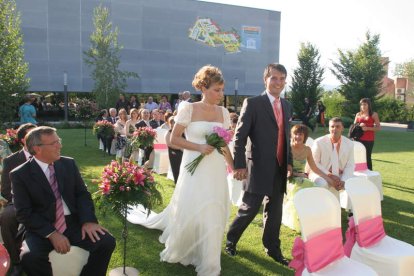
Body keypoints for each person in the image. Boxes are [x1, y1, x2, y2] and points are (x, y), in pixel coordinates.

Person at [135, 65, 232, 275]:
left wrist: (233, 166)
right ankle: (188, 246)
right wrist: (198, 147)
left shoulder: (223, 112)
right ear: (204, 88)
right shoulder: (188, 108)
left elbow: (224, 143)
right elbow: (173, 139)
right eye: (217, 90)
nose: (221, 94)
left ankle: (210, 260)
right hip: (194, 168)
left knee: (214, 209)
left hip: (215, 168)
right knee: (193, 206)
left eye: (222, 90)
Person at [10, 126, 115, 276]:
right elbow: (24, 213)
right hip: (42, 228)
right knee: (29, 257)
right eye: (54, 143)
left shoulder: (68, 164)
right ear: (37, 149)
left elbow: (82, 194)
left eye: (58, 140)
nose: (60, 145)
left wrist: (88, 220)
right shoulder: (20, 174)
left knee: (106, 242)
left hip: (73, 223)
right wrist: (52, 234)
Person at [225, 63, 293, 266]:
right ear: (266, 80)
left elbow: (285, 137)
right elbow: (239, 137)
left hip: (279, 168)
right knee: (249, 209)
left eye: (282, 79)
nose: (278, 82)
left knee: (275, 211)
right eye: (274, 78)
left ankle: (273, 249)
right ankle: (231, 241)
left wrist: (289, 162)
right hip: (257, 167)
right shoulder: (253, 103)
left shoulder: (287, 105)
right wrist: (239, 165)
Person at [282, 124, 335, 232]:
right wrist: (297, 175)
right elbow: (282, 169)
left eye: (300, 134)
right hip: (288, 179)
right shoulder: (287, 148)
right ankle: (297, 221)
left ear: (305, 136)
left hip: (302, 179)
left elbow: (315, 168)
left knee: (315, 189)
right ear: (292, 135)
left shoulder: (307, 150)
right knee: (302, 189)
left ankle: (310, 219)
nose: (298, 136)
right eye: (295, 134)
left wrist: (328, 178)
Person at [1, 123, 37, 276]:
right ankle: (16, 262)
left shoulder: (49, 155)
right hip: (18, 202)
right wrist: (22, 202)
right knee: (7, 216)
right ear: (23, 140)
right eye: (33, 135)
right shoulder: (11, 161)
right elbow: (6, 190)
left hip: (47, 201)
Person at [308, 117, 355, 199]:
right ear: (329, 128)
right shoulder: (319, 142)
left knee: (353, 183)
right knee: (322, 184)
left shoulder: (349, 144)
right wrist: (329, 175)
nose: (334, 129)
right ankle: (322, 207)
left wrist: (343, 180)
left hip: (340, 175)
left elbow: (350, 165)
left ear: (342, 128)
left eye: (337, 126)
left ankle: (351, 210)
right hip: (320, 173)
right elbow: (314, 163)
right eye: (332, 126)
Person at [353, 98, 381, 170]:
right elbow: (354, 127)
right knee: (357, 156)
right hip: (358, 139)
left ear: (369, 105)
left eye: (365, 104)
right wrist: (359, 125)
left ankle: (369, 174)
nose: (363, 106)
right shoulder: (358, 114)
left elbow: (378, 128)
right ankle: (357, 172)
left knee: (367, 157)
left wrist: (367, 128)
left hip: (369, 140)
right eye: (361, 104)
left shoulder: (374, 114)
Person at [165, 116, 183, 184]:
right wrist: (180, 148)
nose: (175, 124)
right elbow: (169, 144)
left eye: (176, 123)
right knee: (177, 165)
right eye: (173, 123)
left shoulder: (181, 132)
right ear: (171, 124)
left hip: (182, 150)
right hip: (174, 151)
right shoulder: (169, 132)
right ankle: (177, 181)